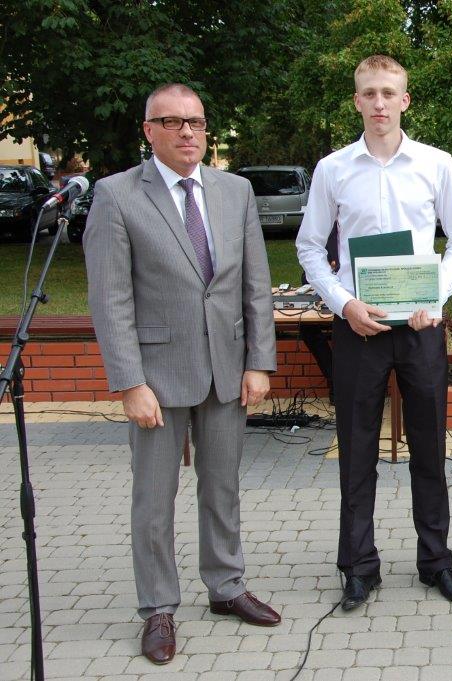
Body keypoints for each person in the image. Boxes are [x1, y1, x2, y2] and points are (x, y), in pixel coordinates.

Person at [84, 84, 280, 665]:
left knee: (222, 487)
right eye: (172, 122)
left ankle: (226, 586)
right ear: (149, 131)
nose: (188, 132)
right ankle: (158, 607)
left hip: (226, 370)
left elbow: (255, 284)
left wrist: (259, 361)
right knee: (154, 497)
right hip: (157, 376)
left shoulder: (235, 191)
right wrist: (130, 382)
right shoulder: (116, 195)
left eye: (195, 121)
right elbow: (110, 299)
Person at [296, 55, 452, 611]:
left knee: (429, 449)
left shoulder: (436, 164)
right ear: (357, 101)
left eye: (389, 93)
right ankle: (358, 567)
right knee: (356, 451)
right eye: (369, 93)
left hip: (420, 329)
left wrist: (434, 300)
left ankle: (436, 562)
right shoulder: (333, 169)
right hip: (359, 327)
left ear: (405, 100)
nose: (379, 103)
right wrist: (344, 303)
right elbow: (309, 247)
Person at [298, 224, 339, 403]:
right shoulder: (324, 231)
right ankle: (334, 378)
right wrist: (326, 275)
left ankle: (337, 383)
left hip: (357, 300)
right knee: (306, 327)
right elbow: (306, 276)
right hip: (326, 297)